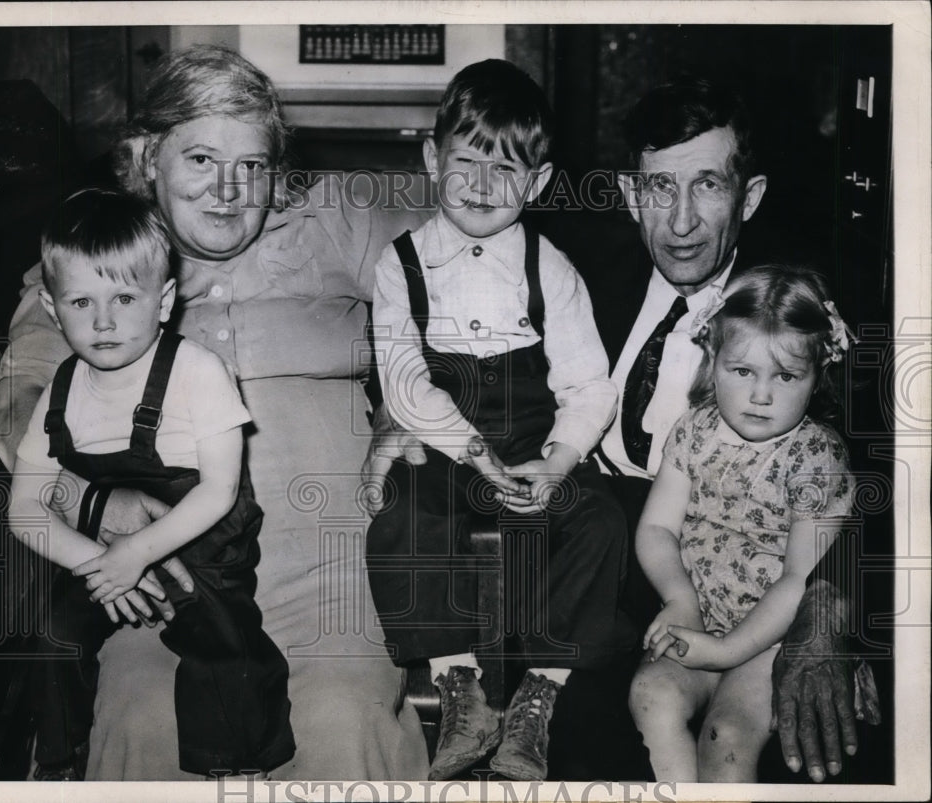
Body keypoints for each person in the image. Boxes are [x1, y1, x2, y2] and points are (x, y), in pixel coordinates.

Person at [363, 76, 881, 782]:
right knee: (564, 742)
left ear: (749, 196)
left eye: (707, 186)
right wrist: (393, 415)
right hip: (583, 560)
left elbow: (870, 472)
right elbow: (440, 326)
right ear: (633, 192)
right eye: (660, 189)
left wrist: (828, 605)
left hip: (740, 575)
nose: (681, 221)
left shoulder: (792, 308)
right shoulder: (575, 265)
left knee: (794, 751)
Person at [0, 45, 432, 781]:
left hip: (334, 557)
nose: (229, 190)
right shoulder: (105, 251)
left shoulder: (336, 221)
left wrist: (407, 406)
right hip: (172, 560)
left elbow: (480, 287)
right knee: (143, 715)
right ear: (144, 158)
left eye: (252, 165)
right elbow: (15, 401)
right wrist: (92, 500)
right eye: (200, 160)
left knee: (341, 714)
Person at [366, 60, 635, 782]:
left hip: (534, 440)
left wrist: (556, 461)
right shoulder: (401, 266)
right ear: (431, 159)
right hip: (447, 442)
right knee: (403, 511)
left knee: (600, 521)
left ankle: (539, 695)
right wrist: (477, 456)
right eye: (467, 161)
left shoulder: (553, 268)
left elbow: (588, 385)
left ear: (539, 183)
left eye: (508, 169)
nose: (484, 186)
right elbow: (406, 381)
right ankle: (462, 689)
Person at [8, 189, 294, 780]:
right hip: (105, 547)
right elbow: (26, 509)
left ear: (163, 301)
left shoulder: (199, 372)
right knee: (49, 632)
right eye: (81, 300)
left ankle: (235, 767)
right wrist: (101, 565)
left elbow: (219, 492)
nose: (104, 321)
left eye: (124, 298)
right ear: (50, 305)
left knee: (221, 635)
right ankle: (59, 763)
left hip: (200, 527)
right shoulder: (60, 391)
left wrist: (138, 552)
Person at [629, 264, 856, 781]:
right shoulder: (693, 431)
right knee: (649, 694)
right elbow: (657, 528)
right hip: (698, 612)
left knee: (726, 737)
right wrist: (679, 598)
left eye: (786, 376)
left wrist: (729, 649)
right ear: (713, 360)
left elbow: (801, 579)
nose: (761, 395)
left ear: (818, 373)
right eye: (743, 371)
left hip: (770, 640)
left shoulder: (816, 457)